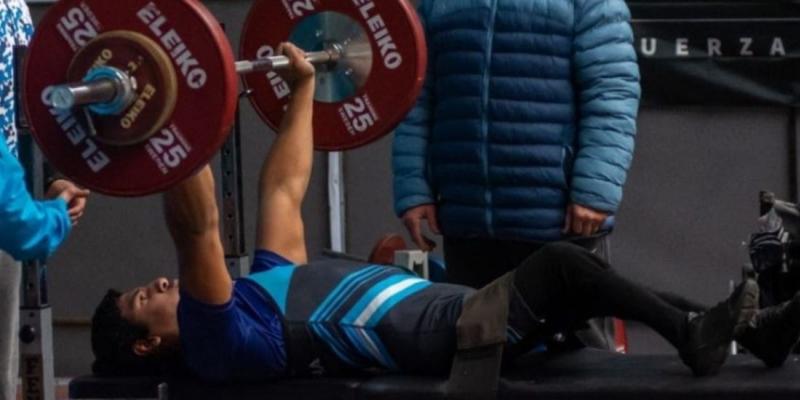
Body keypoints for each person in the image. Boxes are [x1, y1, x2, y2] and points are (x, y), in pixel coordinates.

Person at [89, 44, 800, 383]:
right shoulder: (224, 340)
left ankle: (751, 333)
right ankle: (694, 337)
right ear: (149, 343)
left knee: (577, 271)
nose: (154, 284)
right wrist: (165, 130)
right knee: (559, 263)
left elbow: (282, 190)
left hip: (468, 309)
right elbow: (197, 229)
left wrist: (307, 86)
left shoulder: (263, 281)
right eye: (141, 300)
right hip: (465, 340)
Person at [393, 0, 641, 352]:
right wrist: (414, 187)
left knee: (582, 363)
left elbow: (612, 93)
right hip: (469, 222)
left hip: (558, 223)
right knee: (475, 355)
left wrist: (593, 190)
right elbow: (416, 95)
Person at [1, 1, 90, 398]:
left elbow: (36, 96)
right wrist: (52, 217)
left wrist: (56, 176)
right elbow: (22, 229)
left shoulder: (14, 7)